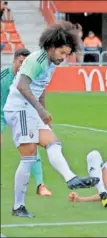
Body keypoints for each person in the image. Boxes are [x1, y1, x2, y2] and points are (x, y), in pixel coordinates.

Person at [3, 21, 99, 218]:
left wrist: (43, 114)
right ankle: (18, 206)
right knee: (28, 157)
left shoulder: (51, 63)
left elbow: (41, 90)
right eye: (62, 53)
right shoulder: (36, 59)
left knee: (53, 142)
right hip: (19, 108)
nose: (63, 58)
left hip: (31, 110)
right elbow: (22, 86)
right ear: (51, 46)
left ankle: (71, 178)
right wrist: (40, 111)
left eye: (66, 54)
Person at [1, 48, 52, 197]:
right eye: (20, 62)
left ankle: (40, 185)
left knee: (31, 146)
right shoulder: (3, 76)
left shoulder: (31, 77)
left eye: (25, 63)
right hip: (1, 113)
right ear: (14, 61)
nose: (22, 66)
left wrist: (43, 116)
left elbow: (40, 95)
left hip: (22, 113)